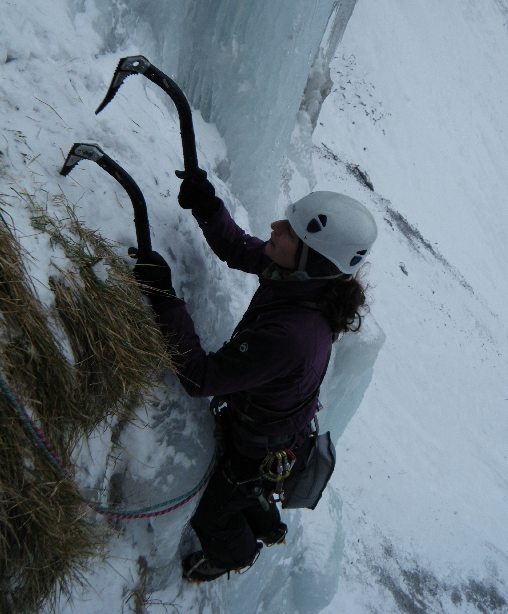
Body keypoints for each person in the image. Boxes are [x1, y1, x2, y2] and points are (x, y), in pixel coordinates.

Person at [132, 169, 377, 582]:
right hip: (274, 430)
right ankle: (265, 521)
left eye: (290, 232)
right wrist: (208, 208)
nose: (275, 227)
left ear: (310, 258)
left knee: (213, 516)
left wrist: (163, 299)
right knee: (242, 491)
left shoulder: (291, 337)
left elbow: (198, 378)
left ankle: (236, 555)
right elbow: (240, 249)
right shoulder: (307, 282)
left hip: (257, 447)